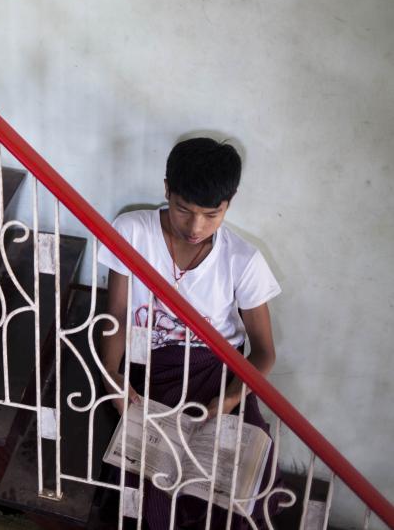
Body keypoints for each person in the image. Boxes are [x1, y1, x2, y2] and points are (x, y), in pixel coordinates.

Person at [97, 137, 281, 528]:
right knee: (151, 482)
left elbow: (263, 352)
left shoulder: (243, 260)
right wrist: (113, 376)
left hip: (216, 374)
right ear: (167, 189)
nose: (195, 226)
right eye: (183, 209)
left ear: (229, 203)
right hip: (151, 370)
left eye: (212, 215)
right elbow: (116, 314)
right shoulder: (132, 231)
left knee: (245, 479)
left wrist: (230, 399)